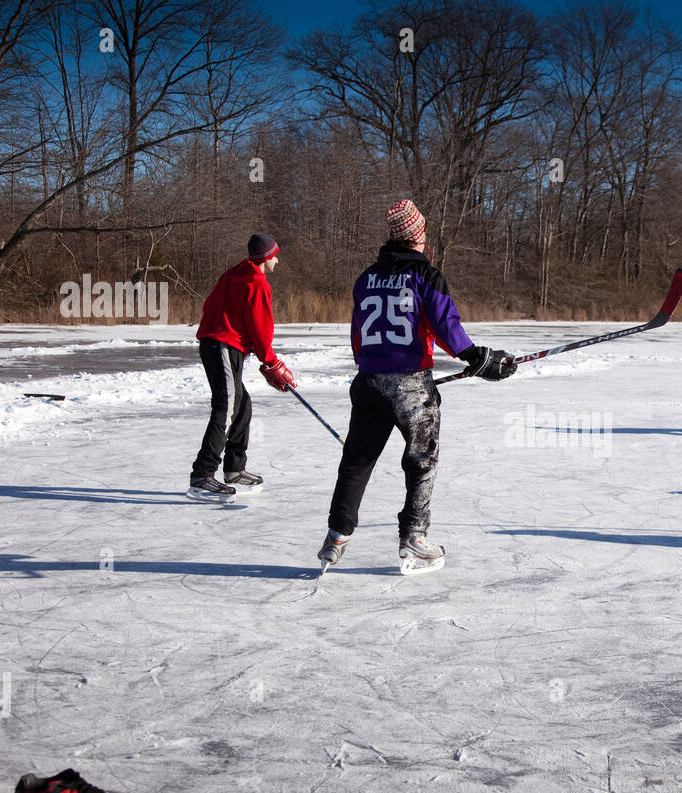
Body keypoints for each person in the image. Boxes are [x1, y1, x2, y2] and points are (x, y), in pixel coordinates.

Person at [318, 200, 515, 574]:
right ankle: (414, 536)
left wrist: (373, 369)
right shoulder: (426, 277)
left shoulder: (365, 278)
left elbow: (359, 335)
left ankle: (337, 534)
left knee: (357, 460)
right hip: (411, 387)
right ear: (417, 237)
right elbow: (445, 324)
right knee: (421, 461)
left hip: (368, 383)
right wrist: (477, 357)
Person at [188, 234, 296, 501]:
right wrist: (270, 361)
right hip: (223, 345)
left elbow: (211, 304)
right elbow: (260, 327)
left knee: (242, 405)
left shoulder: (233, 273)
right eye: (275, 256)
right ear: (266, 257)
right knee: (226, 406)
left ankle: (235, 469)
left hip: (220, 344)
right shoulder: (257, 283)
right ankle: (203, 475)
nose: (277, 260)